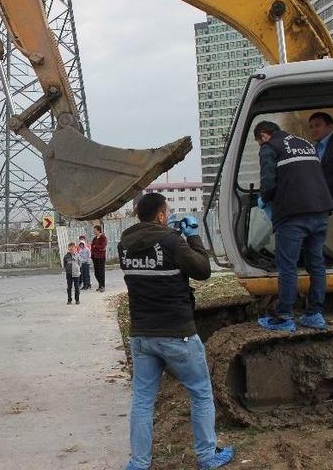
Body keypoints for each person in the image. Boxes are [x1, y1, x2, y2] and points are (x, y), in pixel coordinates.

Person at [119, 192, 233, 470]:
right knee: (201, 393)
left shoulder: (124, 245)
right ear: (160, 215)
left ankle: (138, 463)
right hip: (176, 334)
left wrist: (172, 236)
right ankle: (207, 457)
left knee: (143, 401)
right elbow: (203, 270)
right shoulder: (171, 241)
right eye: (166, 212)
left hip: (142, 336)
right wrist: (192, 237)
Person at [255, 121, 333, 332]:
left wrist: (264, 199)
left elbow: (269, 182)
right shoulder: (306, 144)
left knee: (287, 266)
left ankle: (284, 317)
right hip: (320, 210)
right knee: (316, 264)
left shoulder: (270, 147)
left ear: (263, 136)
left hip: (293, 214)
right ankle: (315, 314)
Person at [91, 224, 107, 292]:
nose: (94, 231)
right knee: (96, 272)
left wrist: (95, 246)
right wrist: (94, 247)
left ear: (98, 230)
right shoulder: (94, 238)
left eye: (95, 230)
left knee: (101, 272)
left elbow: (103, 247)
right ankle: (100, 285)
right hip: (95, 257)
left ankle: (102, 286)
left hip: (101, 257)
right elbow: (92, 246)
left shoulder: (103, 237)